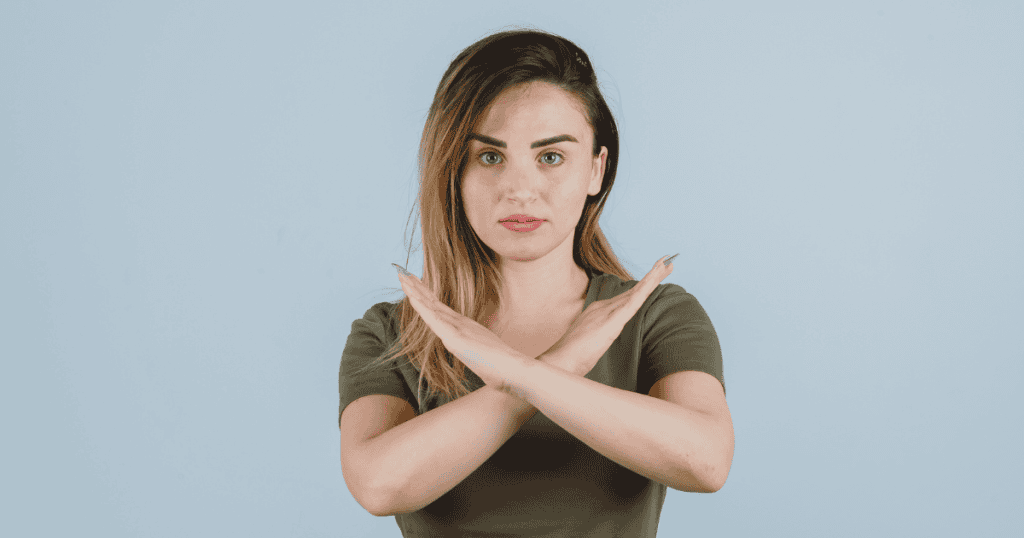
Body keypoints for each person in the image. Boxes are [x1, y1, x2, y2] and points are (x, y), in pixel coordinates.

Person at [338, 28, 734, 537]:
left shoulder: (654, 316)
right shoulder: (391, 334)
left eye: (551, 157)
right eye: (489, 156)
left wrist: (512, 371)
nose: (520, 190)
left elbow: (706, 461)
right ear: (453, 172)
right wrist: (560, 365)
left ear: (596, 169)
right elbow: (378, 486)